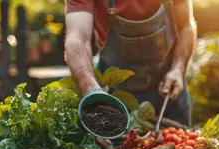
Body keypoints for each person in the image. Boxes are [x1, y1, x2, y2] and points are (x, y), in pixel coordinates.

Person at [64, 0, 197, 126]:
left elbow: (186, 26)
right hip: (114, 96)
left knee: (181, 146)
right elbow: (77, 39)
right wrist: (90, 89)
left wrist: (178, 68)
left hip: (169, 90)